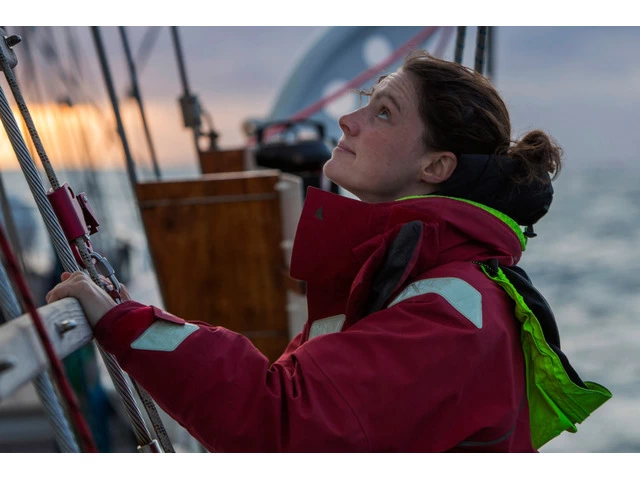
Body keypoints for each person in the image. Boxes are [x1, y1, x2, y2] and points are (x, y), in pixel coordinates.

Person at [46, 50, 611, 452]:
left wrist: (125, 323)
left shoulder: (449, 312)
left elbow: (282, 422)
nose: (347, 119)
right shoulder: (417, 279)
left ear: (436, 166)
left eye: (383, 112)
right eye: (367, 101)